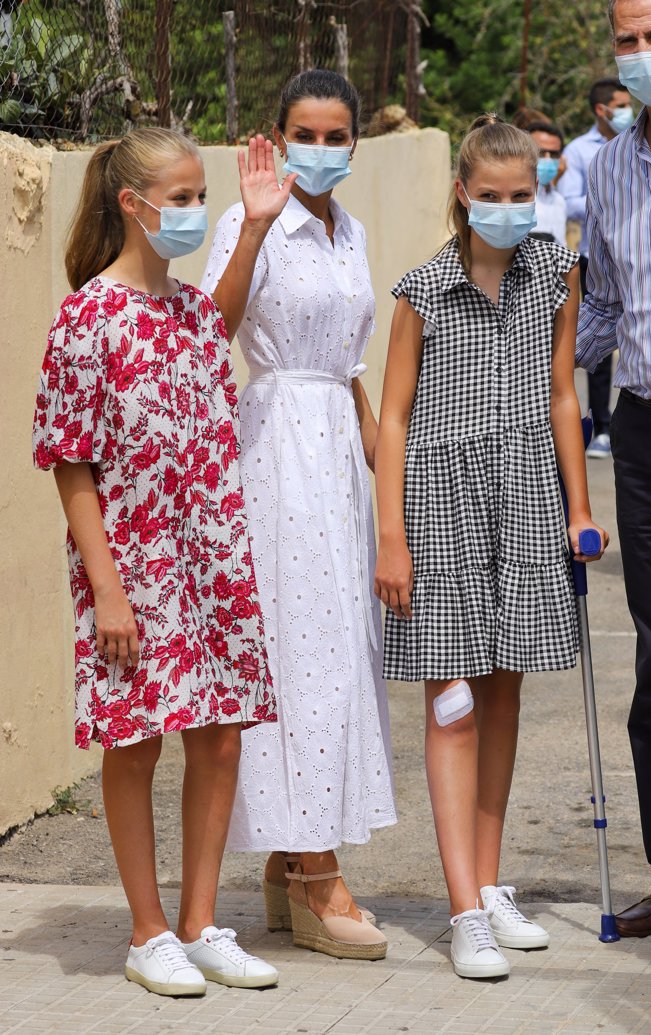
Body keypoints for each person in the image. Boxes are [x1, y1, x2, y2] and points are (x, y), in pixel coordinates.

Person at [31, 128, 281, 997]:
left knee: (218, 731)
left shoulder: (185, 311)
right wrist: (107, 591)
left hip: (209, 556)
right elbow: (70, 463)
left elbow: (223, 320)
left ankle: (201, 919)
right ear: (132, 205)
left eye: (199, 195)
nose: (193, 211)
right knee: (134, 741)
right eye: (180, 198)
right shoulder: (85, 318)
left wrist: (251, 229)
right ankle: (147, 932)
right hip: (132, 569)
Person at [375, 114, 607, 981]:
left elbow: (561, 396)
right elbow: (393, 418)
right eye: (492, 196)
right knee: (455, 703)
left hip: (526, 499)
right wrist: (390, 535)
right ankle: (462, 907)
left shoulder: (554, 272)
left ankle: (489, 878)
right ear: (463, 194)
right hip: (440, 503)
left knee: (505, 693)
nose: (508, 210)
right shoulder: (422, 290)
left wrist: (579, 508)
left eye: (524, 196)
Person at [201, 69, 396, 962]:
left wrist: (362, 421)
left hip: (336, 452)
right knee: (296, 654)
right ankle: (319, 872)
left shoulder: (349, 229)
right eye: (303, 133)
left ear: (355, 142)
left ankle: (287, 864)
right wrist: (248, 224)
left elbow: (346, 347)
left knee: (333, 648)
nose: (320, 149)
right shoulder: (256, 220)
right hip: (276, 445)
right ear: (275, 137)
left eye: (335, 135)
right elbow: (214, 327)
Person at [577, 0, 651, 938]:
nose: (645, 55)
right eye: (630, 39)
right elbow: (603, 309)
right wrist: (523, 363)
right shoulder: (607, 167)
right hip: (644, 432)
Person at [558, 76, 634, 459]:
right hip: (593, 255)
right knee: (599, 343)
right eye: (619, 104)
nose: (626, 110)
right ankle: (601, 425)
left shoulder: (641, 142)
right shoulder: (582, 151)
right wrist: (604, 201)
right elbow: (570, 201)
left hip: (636, 255)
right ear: (601, 110)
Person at [528, 120, 568, 245]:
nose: (548, 159)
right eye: (540, 152)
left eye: (554, 154)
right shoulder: (514, 200)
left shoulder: (559, 200)